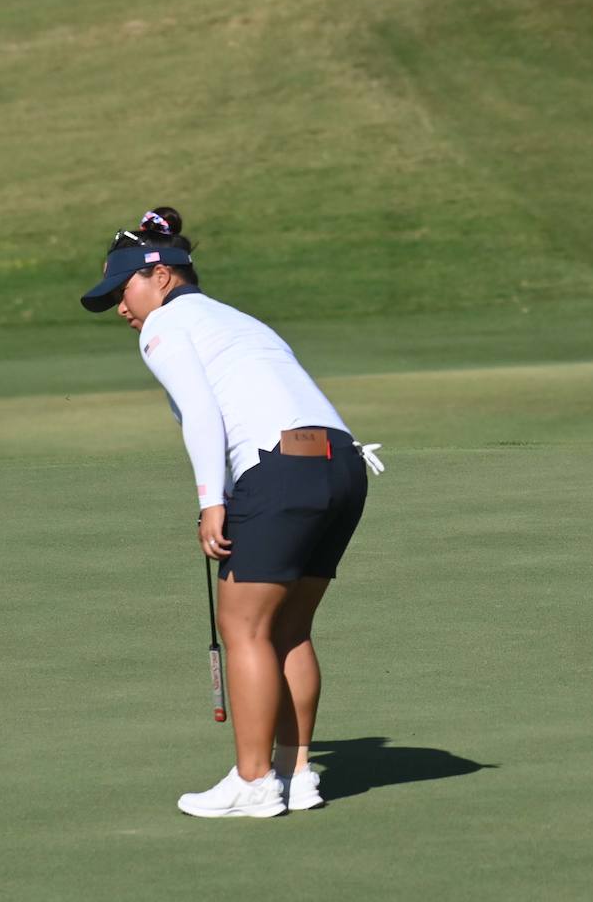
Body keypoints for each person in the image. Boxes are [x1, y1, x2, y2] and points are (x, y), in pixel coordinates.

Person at [81, 208, 382, 818]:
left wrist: (210, 503)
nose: (121, 307)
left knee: (244, 627)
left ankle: (253, 782)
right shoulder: (237, 319)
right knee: (289, 627)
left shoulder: (164, 326)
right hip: (343, 466)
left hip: (281, 472)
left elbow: (201, 413)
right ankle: (297, 776)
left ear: (160, 277)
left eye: (123, 289)